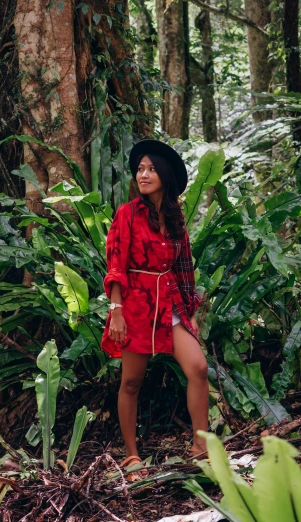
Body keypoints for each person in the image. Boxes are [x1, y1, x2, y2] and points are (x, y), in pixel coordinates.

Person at [100, 139, 209, 480]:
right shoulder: (127, 214)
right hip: (135, 305)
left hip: (171, 305)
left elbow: (184, 270)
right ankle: (132, 456)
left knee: (199, 368)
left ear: (164, 174)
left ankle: (201, 448)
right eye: (140, 169)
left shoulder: (176, 219)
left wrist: (190, 312)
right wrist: (116, 311)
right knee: (131, 382)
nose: (143, 175)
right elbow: (116, 263)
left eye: (150, 169)